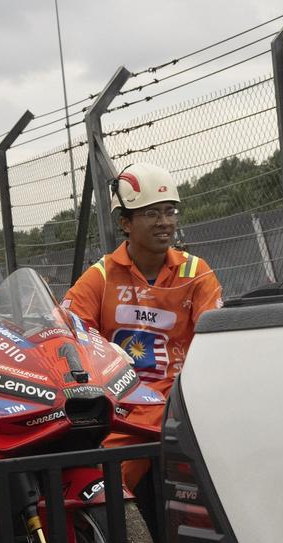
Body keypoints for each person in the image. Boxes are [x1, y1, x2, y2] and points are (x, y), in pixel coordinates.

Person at [63, 162, 223, 488]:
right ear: (125, 223)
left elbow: (217, 343)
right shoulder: (102, 275)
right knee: (103, 490)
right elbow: (69, 332)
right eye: (151, 214)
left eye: (170, 211)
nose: (165, 222)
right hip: (124, 409)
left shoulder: (196, 272)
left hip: (184, 403)